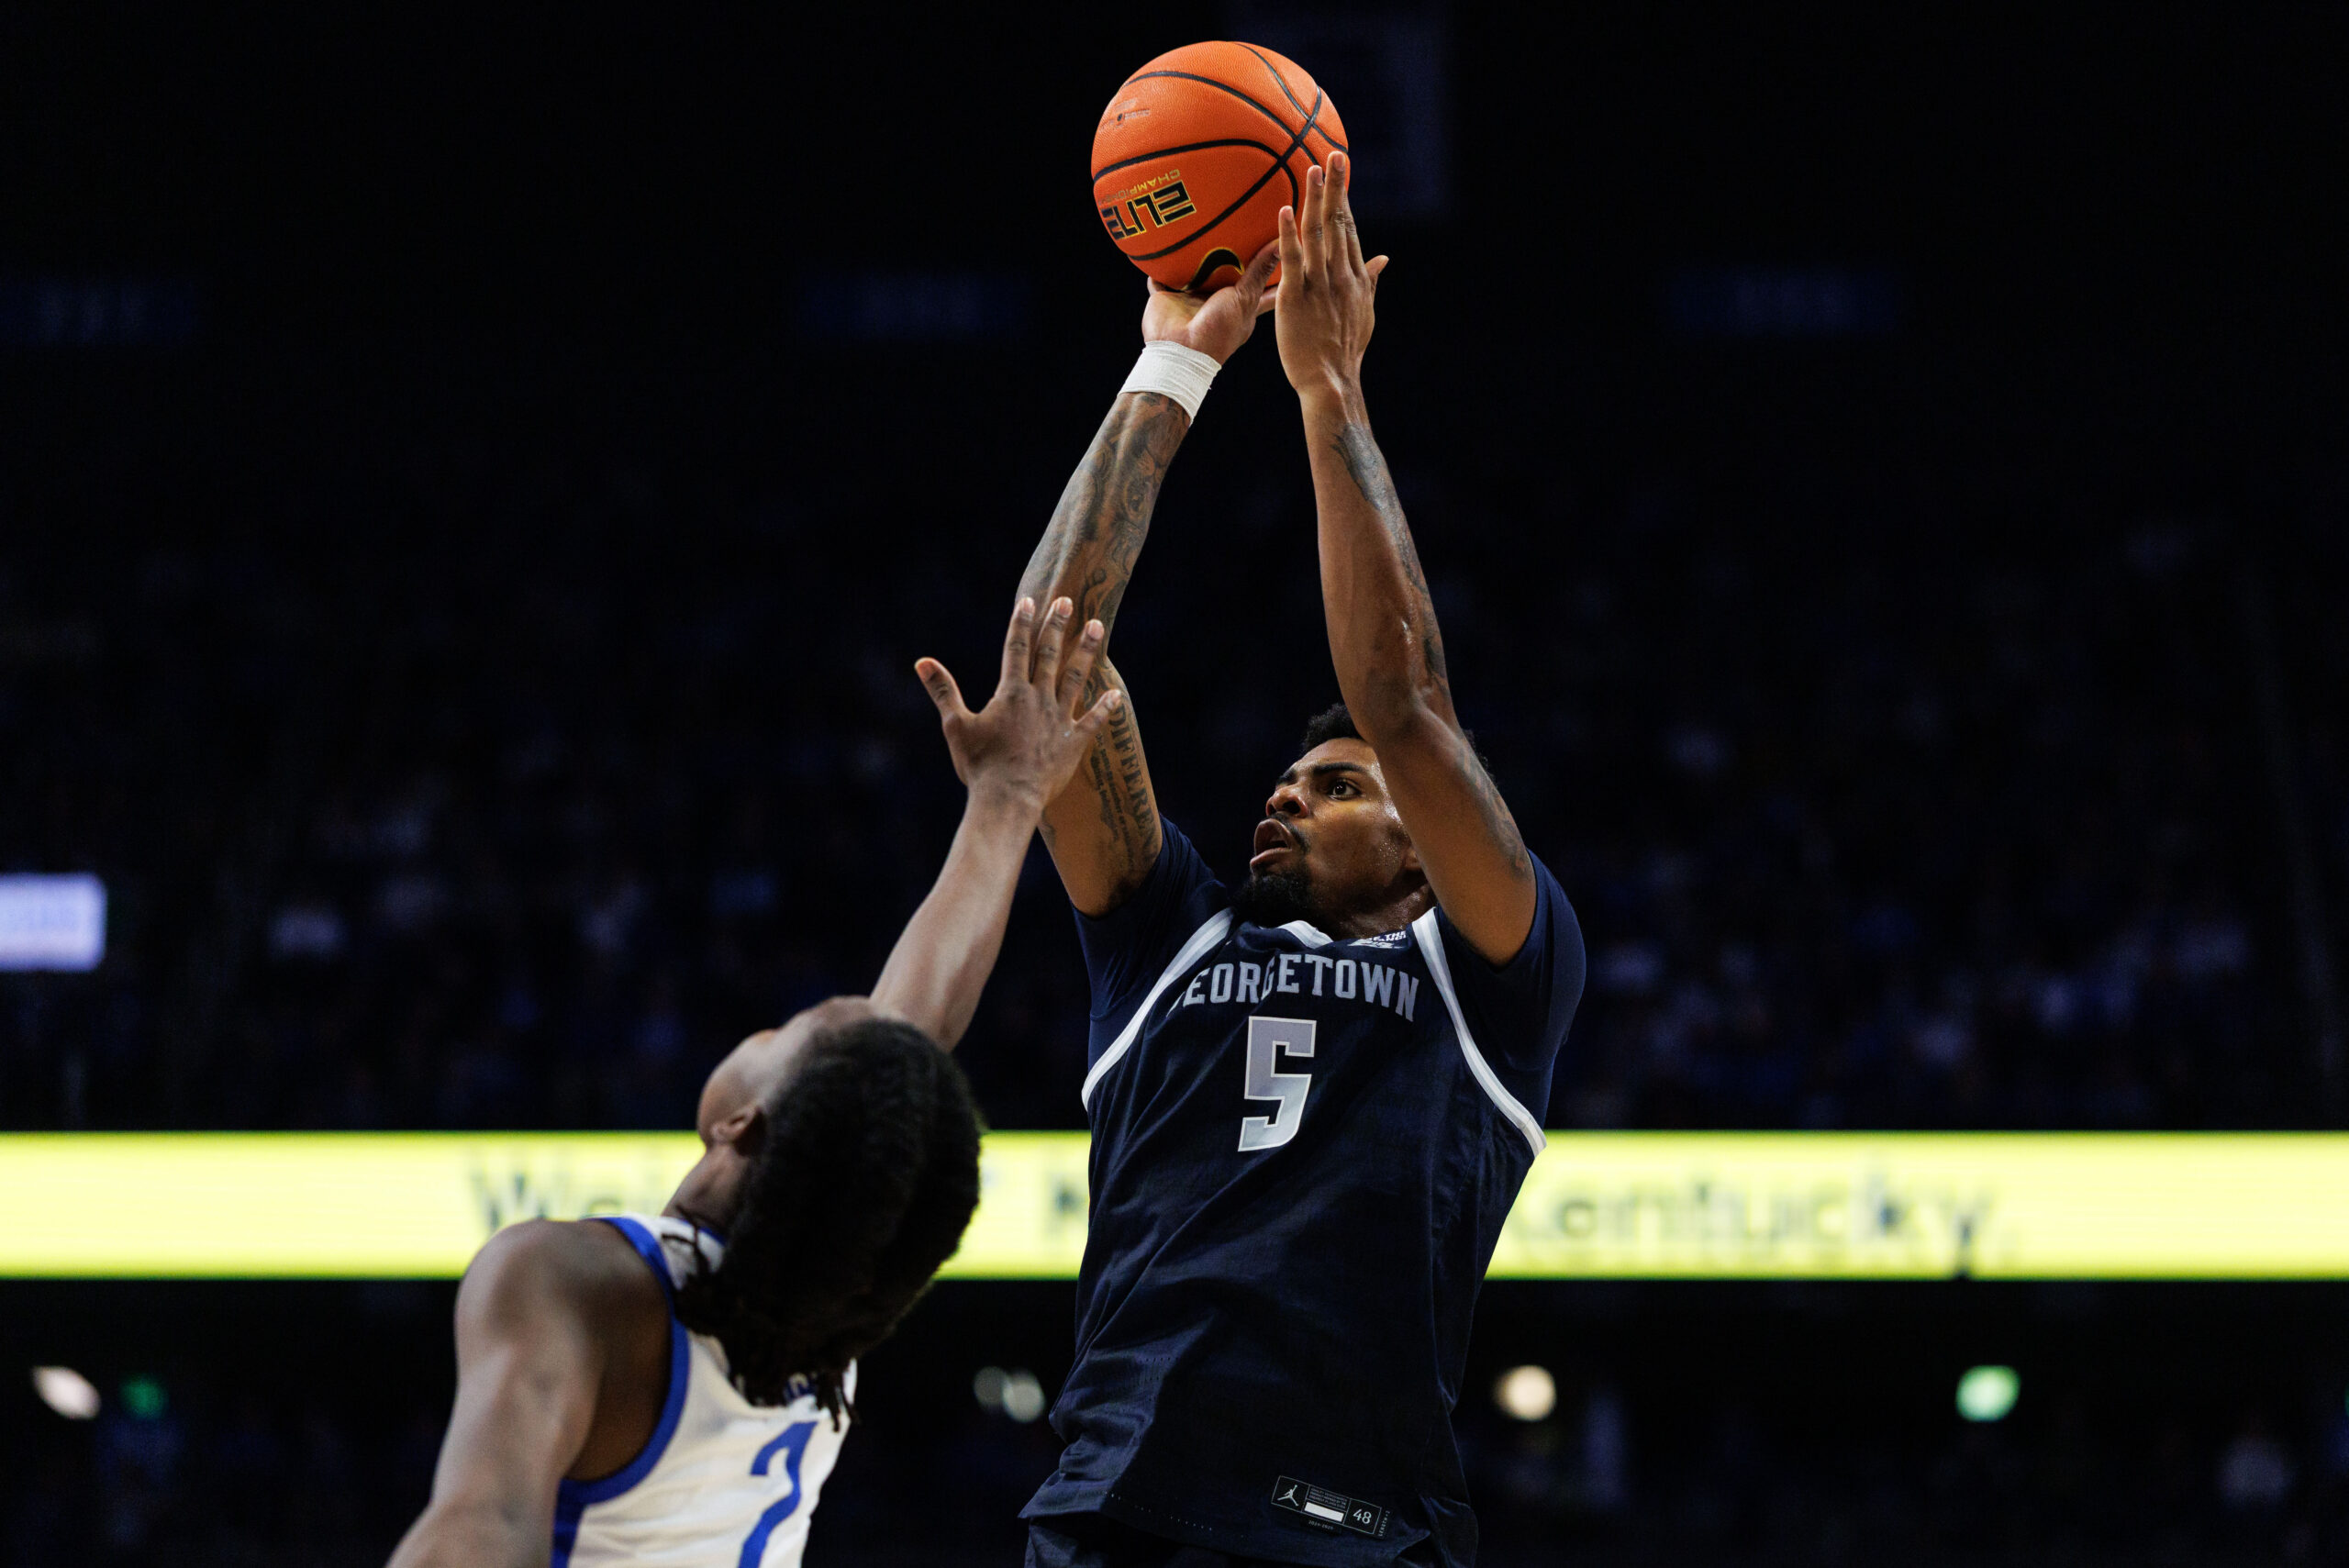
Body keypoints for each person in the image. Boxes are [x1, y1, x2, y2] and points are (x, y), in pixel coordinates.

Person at [1016, 151, 1586, 1568]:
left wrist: (1329, 389)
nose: (1280, 798)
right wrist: (1168, 369)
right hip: (1120, 1501)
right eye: (1286, 780)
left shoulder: (1495, 978)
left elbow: (1404, 705)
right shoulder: (1174, 941)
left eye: (1331, 790)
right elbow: (1050, 666)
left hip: (1363, 1524)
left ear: (1423, 843)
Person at [387, 596, 1123, 1568]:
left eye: (791, 1025)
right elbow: (903, 1052)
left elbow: (481, 1530)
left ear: (740, 1123)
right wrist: (1007, 799)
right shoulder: (826, 1308)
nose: (793, 1017)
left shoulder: (581, 1288)